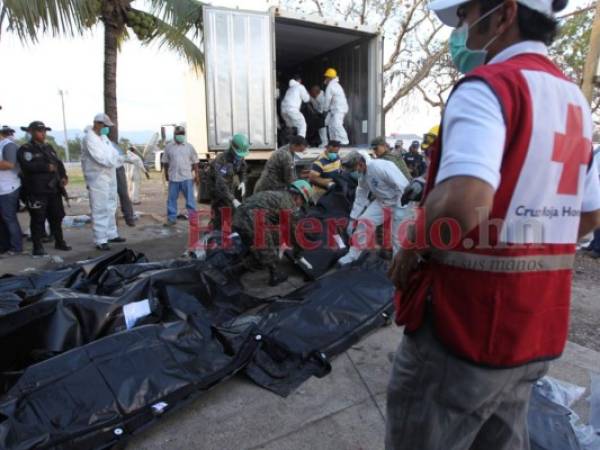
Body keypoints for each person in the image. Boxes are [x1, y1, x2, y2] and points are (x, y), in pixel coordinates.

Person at [386, 0, 600, 449]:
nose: (461, 28)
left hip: (465, 328)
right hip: (536, 329)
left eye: (465, 14)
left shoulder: (490, 87)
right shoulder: (576, 104)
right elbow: (590, 214)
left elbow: (465, 201)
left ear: (503, 14)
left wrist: (413, 245)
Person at [233, 180, 313, 286]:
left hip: (237, 219)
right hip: (252, 221)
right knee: (267, 253)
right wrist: (299, 250)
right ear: (297, 197)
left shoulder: (279, 195)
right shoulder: (289, 204)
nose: (300, 205)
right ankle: (273, 275)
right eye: (302, 202)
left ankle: (244, 260)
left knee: (269, 240)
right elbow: (293, 232)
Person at [337, 151, 409, 266]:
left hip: (399, 200)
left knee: (397, 236)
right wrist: (352, 219)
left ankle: (398, 264)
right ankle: (353, 255)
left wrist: (401, 208)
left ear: (360, 164)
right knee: (364, 222)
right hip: (382, 201)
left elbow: (402, 186)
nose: (354, 174)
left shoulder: (380, 167)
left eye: (354, 170)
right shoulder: (362, 176)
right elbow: (360, 197)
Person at [17, 121, 71, 256]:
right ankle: (37, 246)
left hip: (53, 189)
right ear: (32, 132)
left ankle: (59, 241)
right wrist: (45, 167)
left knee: (56, 217)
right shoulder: (26, 149)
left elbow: (58, 163)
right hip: (37, 190)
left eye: (44, 131)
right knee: (38, 218)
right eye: (40, 131)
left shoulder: (49, 147)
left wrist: (63, 176)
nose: (43, 133)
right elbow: (26, 166)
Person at [82, 113, 125, 251]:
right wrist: (118, 160)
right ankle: (100, 239)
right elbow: (101, 158)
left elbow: (113, 153)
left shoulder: (103, 137)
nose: (107, 129)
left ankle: (111, 234)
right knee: (100, 207)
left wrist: (121, 158)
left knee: (111, 205)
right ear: (98, 124)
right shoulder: (89, 139)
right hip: (97, 177)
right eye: (105, 126)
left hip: (109, 175)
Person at [208, 133, 250, 230]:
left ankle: (227, 230)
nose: (240, 157)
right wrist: (232, 199)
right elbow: (221, 184)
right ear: (232, 149)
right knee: (220, 210)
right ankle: (214, 233)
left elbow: (243, 169)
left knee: (230, 210)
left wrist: (243, 181)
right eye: (238, 154)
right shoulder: (221, 160)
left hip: (228, 184)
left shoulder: (239, 156)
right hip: (216, 187)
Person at [161, 126, 199, 227]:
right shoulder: (169, 147)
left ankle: (193, 220)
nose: (180, 136)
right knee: (171, 200)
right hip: (173, 178)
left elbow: (195, 162)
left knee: (190, 200)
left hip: (186, 177)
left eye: (182, 133)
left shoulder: (189, 147)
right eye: (179, 134)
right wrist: (166, 174)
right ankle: (171, 219)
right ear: (174, 135)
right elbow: (165, 162)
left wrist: (197, 175)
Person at [0, 126, 23, 255]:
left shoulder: (8, 145)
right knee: (3, 220)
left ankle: (16, 246)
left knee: (9, 218)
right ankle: (5, 245)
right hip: (1, 188)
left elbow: (9, 164)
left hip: (9, 188)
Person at [111, 141, 136, 227]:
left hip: (118, 169)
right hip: (106, 171)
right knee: (110, 197)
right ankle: (112, 222)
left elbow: (123, 156)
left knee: (124, 194)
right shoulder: (97, 142)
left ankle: (129, 218)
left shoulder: (113, 144)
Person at [323, 68, 350, 145]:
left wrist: (325, 109)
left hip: (339, 109)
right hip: (336, 109)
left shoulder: (331, 86)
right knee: (331, 125)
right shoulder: (336, 85)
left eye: (326, 77)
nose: (325, 79)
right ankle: (334, 142)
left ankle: (344, 142)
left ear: (330, 78)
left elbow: (327, 99)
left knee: (337, 125)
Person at [584, 146, 600, 259]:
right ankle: (593, 243)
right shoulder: (598, 148)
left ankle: (598, 248)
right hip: (595, 180)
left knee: (596, 215)